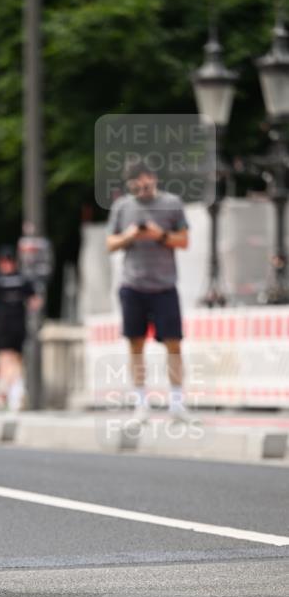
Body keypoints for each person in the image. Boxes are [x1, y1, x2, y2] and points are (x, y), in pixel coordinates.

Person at [106, 159, 190, 425]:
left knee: (174, 343)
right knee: (135, 344)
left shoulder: (172, 204)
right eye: (136, 185)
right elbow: (110, 242)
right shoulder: (122, 207)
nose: (142, 189)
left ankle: (177, 403)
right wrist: (130, 236)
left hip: (164, 285)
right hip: (133, 285)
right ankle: (141, 404)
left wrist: (159, 235)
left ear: (153, 178)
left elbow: (184, 240)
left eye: (145, 182)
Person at [0, 246, 40, 411]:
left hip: (7, 325)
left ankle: (4, 392)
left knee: (9, 359)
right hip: (12, 325)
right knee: (10, 359)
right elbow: (35, 301)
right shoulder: (23, 279)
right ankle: (14, 394)